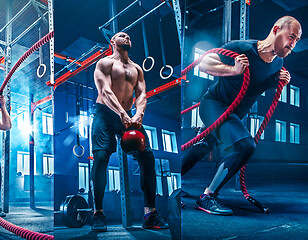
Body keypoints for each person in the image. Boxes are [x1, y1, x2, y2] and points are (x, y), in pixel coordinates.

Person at [181, 16, 300, 215]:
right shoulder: (242, 48)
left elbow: (258, 83)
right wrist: (232, 70)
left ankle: (177, 187)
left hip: (235, 114)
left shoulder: (277, 65)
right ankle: (207, 197)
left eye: (296, 41)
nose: (293, 45)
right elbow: (205, 63)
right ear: (276, 29)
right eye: (291, 37)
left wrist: (279, 82)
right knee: (244, 146)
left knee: (202, 147)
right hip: (213, 104)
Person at [90, 32, 169, 231]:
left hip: (130, 116)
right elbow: (105, 91)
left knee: (148, 158)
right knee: (100, 158)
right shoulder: (104, 63)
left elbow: (142, 93)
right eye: (121, 35)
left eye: (128, 36)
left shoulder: (137, 68)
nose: (127, 37)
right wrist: (121, 113)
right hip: (105, 114)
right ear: (113, 42)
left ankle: (150, 214)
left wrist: (138, 114)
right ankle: (98, 213)